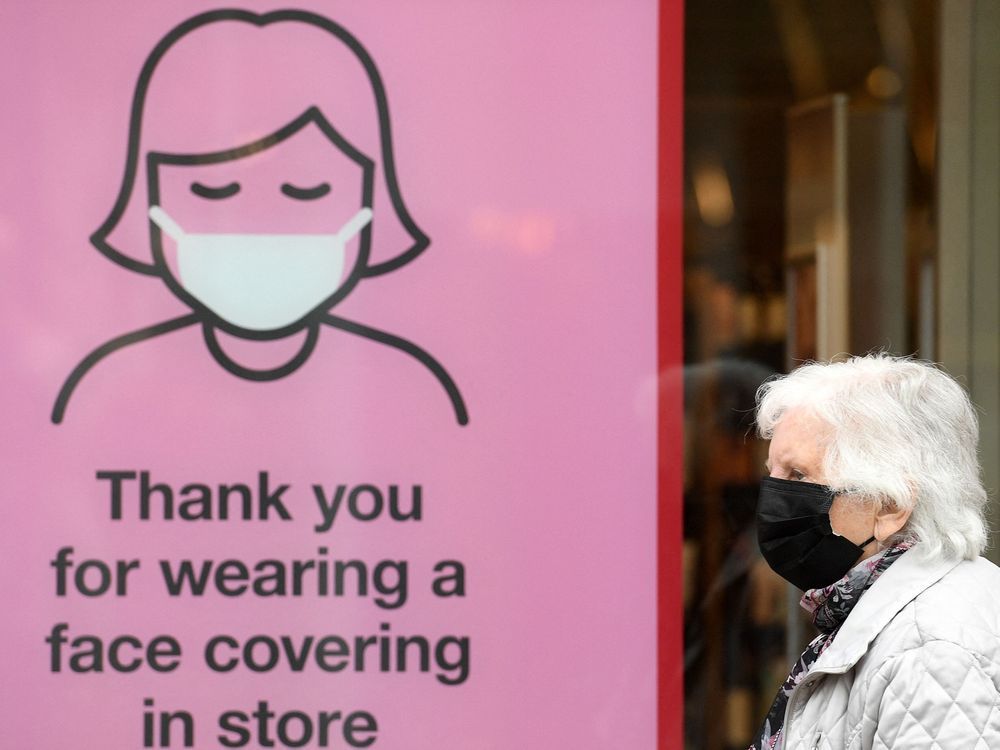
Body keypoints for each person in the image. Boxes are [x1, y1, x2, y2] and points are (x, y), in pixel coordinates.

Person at [52, 9, 467, 426]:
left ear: (371, 198)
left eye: (307, 190)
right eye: (214, 191)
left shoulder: (411, 391)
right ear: (150, 199)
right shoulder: (115, 393)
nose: (260, 226)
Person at [750, 354, 1000, 749]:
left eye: (797, 474)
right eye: (772, 472)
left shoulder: (929, 649)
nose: (774, 494)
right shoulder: (881, 617)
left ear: (889, 505)